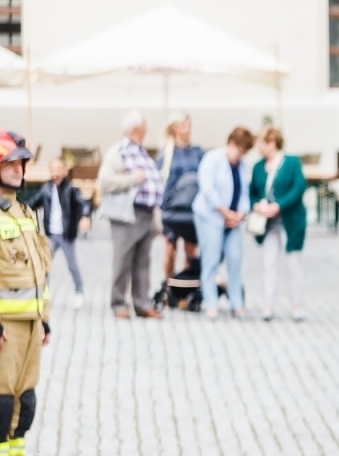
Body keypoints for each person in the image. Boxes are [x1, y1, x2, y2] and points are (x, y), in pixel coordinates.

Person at [0, 131, 52, 456]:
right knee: (1, 401)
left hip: (31, 323)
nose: (19, 169)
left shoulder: (25, 212)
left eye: (22, 163)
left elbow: (40, 272)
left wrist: (44, 318)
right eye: (11, 163)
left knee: (25, 400)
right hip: (5, 327)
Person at [98, 110, 164, 318]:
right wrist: (133, 179)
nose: (146, 129)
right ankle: (118, 303)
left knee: (143, 262)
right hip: (126, 214)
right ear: (137, 128)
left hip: (146, 214)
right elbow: (105, 182)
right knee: (122, 260)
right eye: (145, 125)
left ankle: (142, 303)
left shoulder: (140, 151)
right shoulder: (117, 151)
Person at [249, 128, 308, 322]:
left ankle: (297, 306)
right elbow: (252, 191)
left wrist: (279, 206)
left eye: (261, 144)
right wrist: (257, 205)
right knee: (268, 263)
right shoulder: (258, 166)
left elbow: (298, 187)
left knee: (293, 264)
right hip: (268, 224)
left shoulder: (291, 162)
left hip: (290, 222)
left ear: (272, 143)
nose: (258, 148)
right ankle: (268, 305)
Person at [195, 127, 255, 319]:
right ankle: (210, 302)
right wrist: (224, 213)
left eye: (244, 152)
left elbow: (244, 192)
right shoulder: (212, 159)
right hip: (211, 217)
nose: (241, 155)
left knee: (235, 259)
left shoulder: (242, 165)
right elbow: (208, 190)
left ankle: (236, 303)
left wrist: (239, 214)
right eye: (239, 150)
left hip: (233, 220)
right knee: (211, 259)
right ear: (230, 144)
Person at [30, 158, 90, 308]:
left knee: (72, 265)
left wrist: (85, 216)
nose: (55, 172)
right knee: (44, 264)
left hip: (66, 234)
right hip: (51, 234)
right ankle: (44, 293)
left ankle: (79, 292)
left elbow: (85, 203)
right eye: (52, 169)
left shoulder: (71, 189)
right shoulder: (46, 189)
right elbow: (32, 203)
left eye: (58, 169)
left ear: (65, 171)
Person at [159, 115, 204, 284]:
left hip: (192, 209)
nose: (187, 129)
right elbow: (161, 182)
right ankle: (169, 288)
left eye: (188, 125)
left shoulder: (197, 153)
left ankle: (186, 288)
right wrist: (161, 210)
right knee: (170, 249)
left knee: (191, 251)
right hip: (172, 209)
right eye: (183, 125)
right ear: (175, 128)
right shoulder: (167, 153)